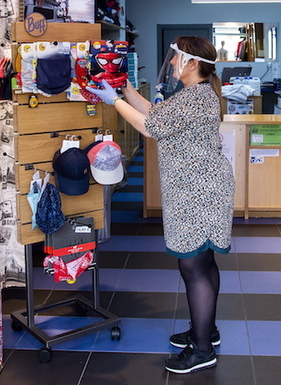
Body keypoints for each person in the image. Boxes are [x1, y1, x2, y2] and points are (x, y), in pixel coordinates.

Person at [87, 36, 235, 374]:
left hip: (199, 191)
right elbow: (156, 114)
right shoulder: (194, 96)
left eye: (176, 58)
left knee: (193, 266)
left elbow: (149, 127)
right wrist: (123, 89)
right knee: (203, 262)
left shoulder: (195, 98)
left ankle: (201, 350)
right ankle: (205, 330)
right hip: (200, 188)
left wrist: (111, 100)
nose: (170, 63)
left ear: (192, 64)